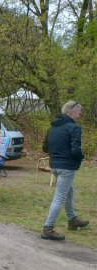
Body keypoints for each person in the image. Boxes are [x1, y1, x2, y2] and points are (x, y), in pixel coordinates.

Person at [41, 100, 89, 240]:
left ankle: (72, 220)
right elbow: (76, 150)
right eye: (78, 112)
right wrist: (82, 156)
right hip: (67, 167)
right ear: (70, 111)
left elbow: (45, 147)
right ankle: (48, 228)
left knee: (69, 191)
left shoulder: (53, 127)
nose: (80, 115)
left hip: (54, 165)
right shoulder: (75, 128)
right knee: (60, 196)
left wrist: (57, 152)